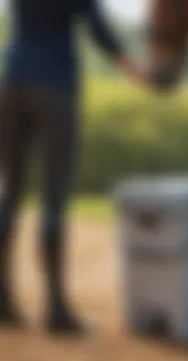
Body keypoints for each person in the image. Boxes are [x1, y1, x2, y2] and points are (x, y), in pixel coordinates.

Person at [0, 0, 143, 335]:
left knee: (10, 193)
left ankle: (2, 301)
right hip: (57, 88)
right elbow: (98, 28)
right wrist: (134, 70)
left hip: (13, 81)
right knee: (54, 200)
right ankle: (55, 309)